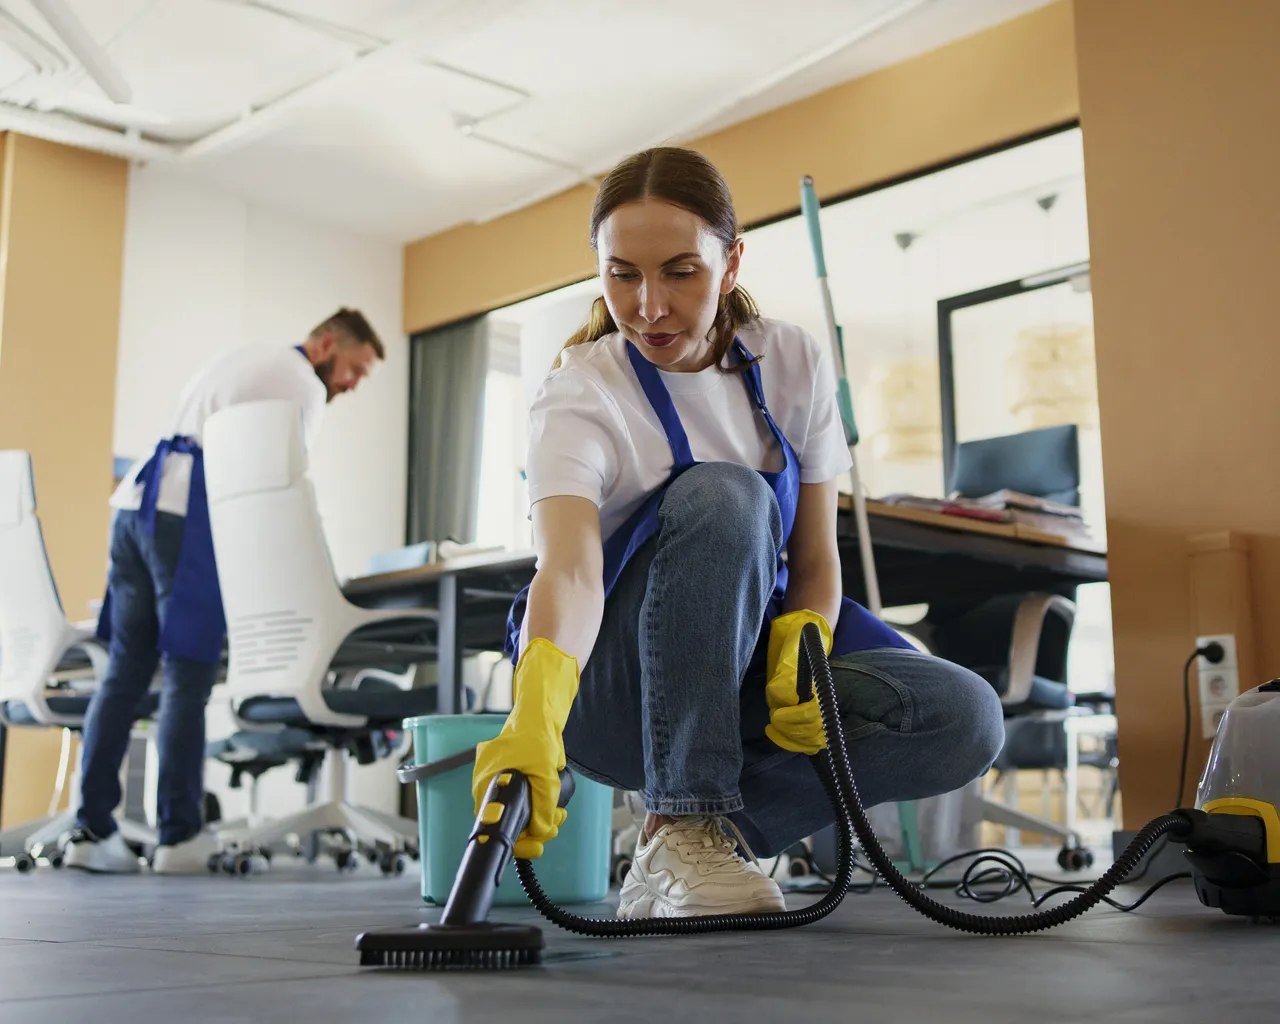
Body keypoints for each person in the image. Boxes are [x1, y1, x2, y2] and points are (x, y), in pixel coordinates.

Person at [473, 148, 1005, 919]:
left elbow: (818, 561)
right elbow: (571, 572)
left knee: (962, 717)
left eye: (680, 272)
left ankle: (694, 840)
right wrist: (534, 713)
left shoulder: (789, 360)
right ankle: (683, 813)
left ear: (730, 264)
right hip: (613, 692)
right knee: (728, 492)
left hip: (741, 672)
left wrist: (809, 636)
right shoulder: (581, 393)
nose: (649, 305)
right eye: (622, 274)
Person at [66, 308, 385, 874]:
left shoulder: (247, 358)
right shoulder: (300, 384)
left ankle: (92, 832)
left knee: (125, 671)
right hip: (186, 515)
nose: (351, 384)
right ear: (327, 344)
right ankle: (179, 835)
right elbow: (283, 488)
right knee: (189, 672)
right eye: (354, 369)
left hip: (136, 505)